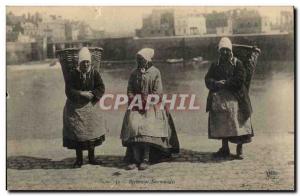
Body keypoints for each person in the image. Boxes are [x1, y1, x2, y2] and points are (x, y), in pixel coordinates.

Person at [120, 48, 180, 170]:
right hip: (136, 105)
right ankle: (135, 159)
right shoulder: (134, 73)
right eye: (137, 59)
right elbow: (130, 90)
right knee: (133, 125)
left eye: (141, 59)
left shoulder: (155, 72)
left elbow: (157, 92)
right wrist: (134, 100)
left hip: (152, 105)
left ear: (147, 60)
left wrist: (146, 101)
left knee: (148, 126)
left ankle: (146, 158)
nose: (139, 61)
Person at [205, 37, 254, 159]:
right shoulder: (215, 65)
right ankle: (225, 148)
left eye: (227, 50)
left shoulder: (237, 63)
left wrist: (225, 83)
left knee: (239, 123)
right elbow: (207, 79)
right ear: (219, 51)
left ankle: (239, 149)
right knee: (222, 123)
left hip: (237, 97)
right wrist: (216, 83)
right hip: (220, 99)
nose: (225, 52)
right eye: (222, 50)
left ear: (230, 50)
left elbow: (240, 80)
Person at [63, 47, 106, 168]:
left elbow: (101, 87)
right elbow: (68, 89)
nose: (86, 64)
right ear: (79, 63)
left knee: (91, 132)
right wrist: (81, 94)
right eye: (83, 62)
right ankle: (79, 159)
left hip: (90, 106)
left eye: (88, 62)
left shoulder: (94, 73)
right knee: (78, 133)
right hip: (75, 107)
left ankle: (92, 157)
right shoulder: (73, 74)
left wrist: (92, 95)